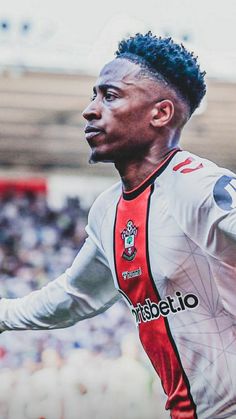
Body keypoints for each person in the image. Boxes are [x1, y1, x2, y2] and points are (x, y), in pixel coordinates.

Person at [0, 32, 236, 418]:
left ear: (160, 114)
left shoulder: (198, 185)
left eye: (110, 96)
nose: (90, 110)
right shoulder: (107, 210)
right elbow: (76, 295)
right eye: (94, 95)